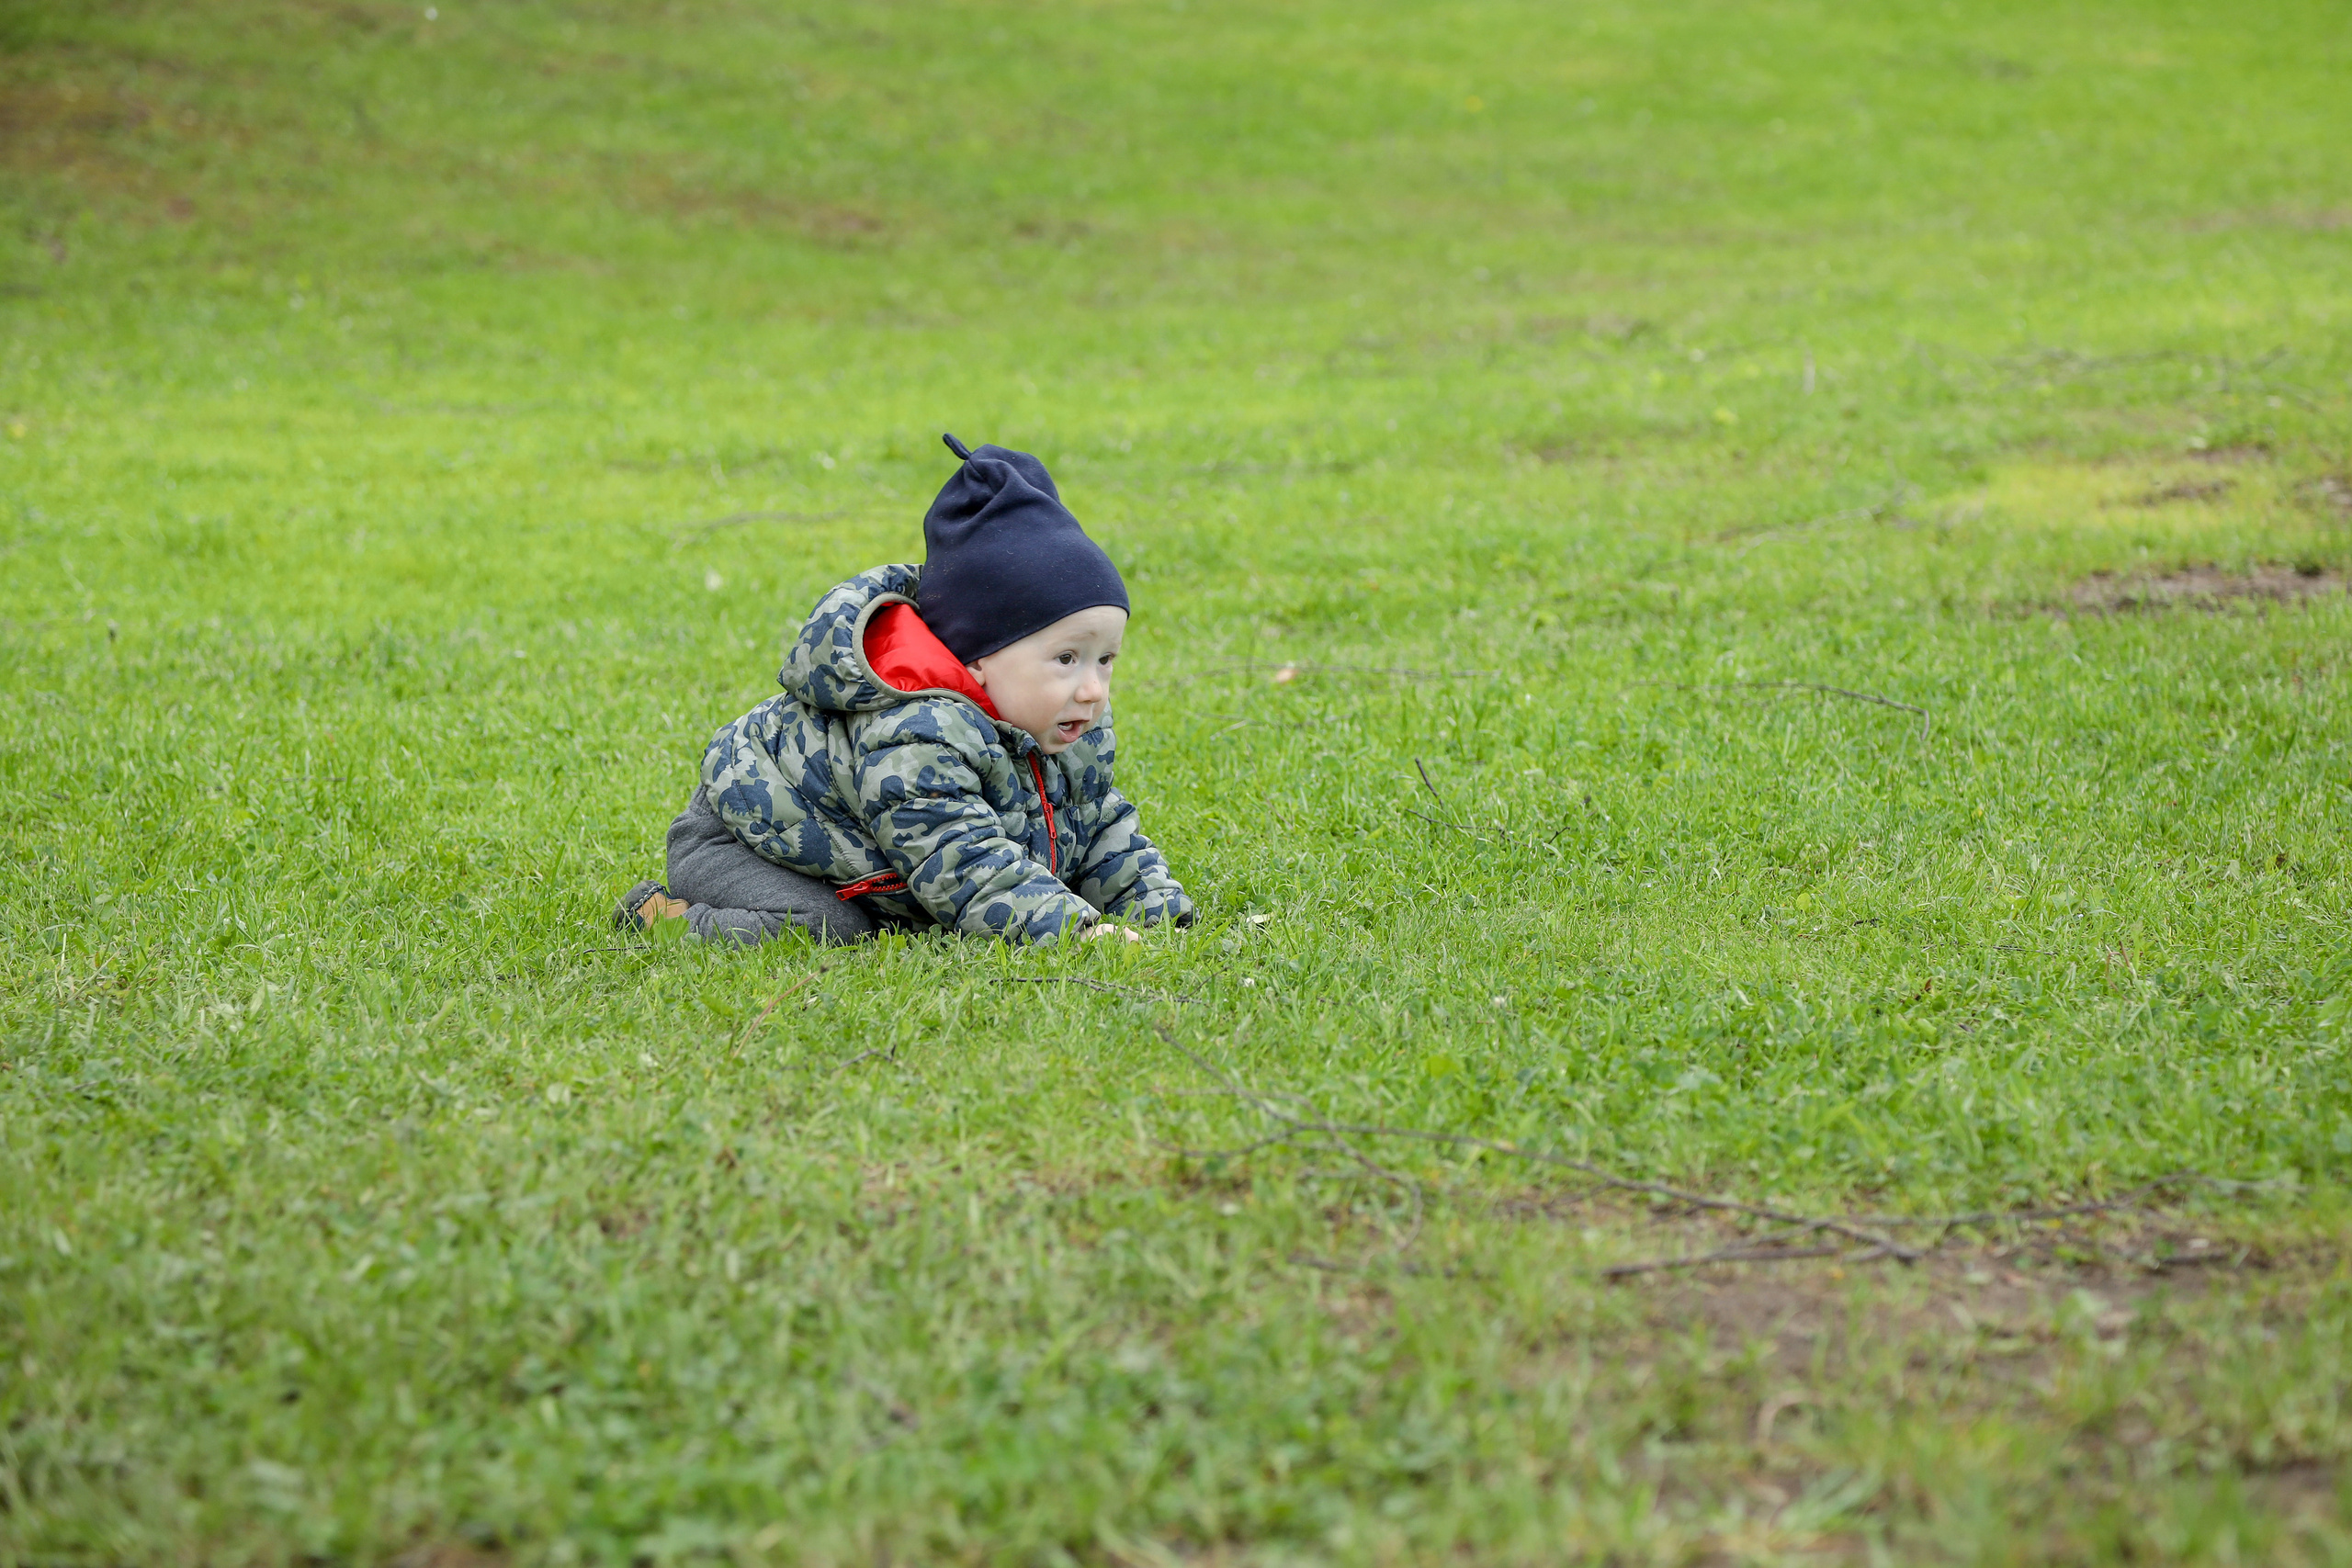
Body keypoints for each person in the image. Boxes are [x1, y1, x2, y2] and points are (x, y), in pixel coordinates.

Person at [616, 434, 1193, 946]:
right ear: (980, 659)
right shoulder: (920, 736)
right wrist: (1078, 930)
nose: (1092, 688)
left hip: (847, 853)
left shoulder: (1067, 725)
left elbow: (1094, 826)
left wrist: (1157, 910)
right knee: (832, 927)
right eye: (1066, 658)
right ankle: (661, 919)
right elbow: (964, 865)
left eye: (1105, 659)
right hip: (739, 843)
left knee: (876, 916)